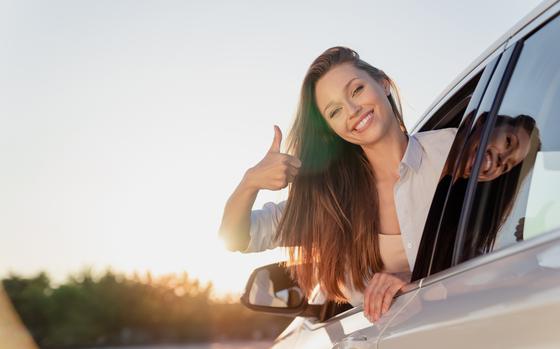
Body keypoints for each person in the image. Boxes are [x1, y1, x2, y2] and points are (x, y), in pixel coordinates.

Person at [219, 46, 456, 323]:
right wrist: (251, 182)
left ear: (383, 83)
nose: (353, 111)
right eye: (335, 111)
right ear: (332, 130)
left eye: (356, 90)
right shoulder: (331, 204)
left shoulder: (452, 149)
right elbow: (236, 237)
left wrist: (414, 281)